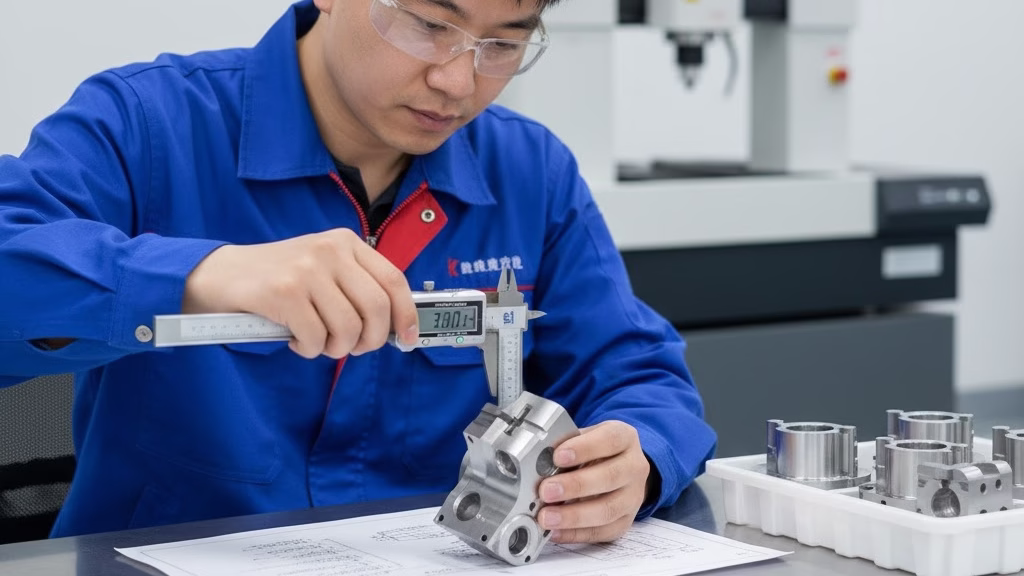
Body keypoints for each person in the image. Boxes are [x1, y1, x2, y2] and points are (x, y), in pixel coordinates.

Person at [0, 0, 716, 542]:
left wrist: (637, 459)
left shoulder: (530, 171)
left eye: (504, 42)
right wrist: (205, 273)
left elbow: (637, 373)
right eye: (430, 23)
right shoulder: (145, 125)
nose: (458, 80)